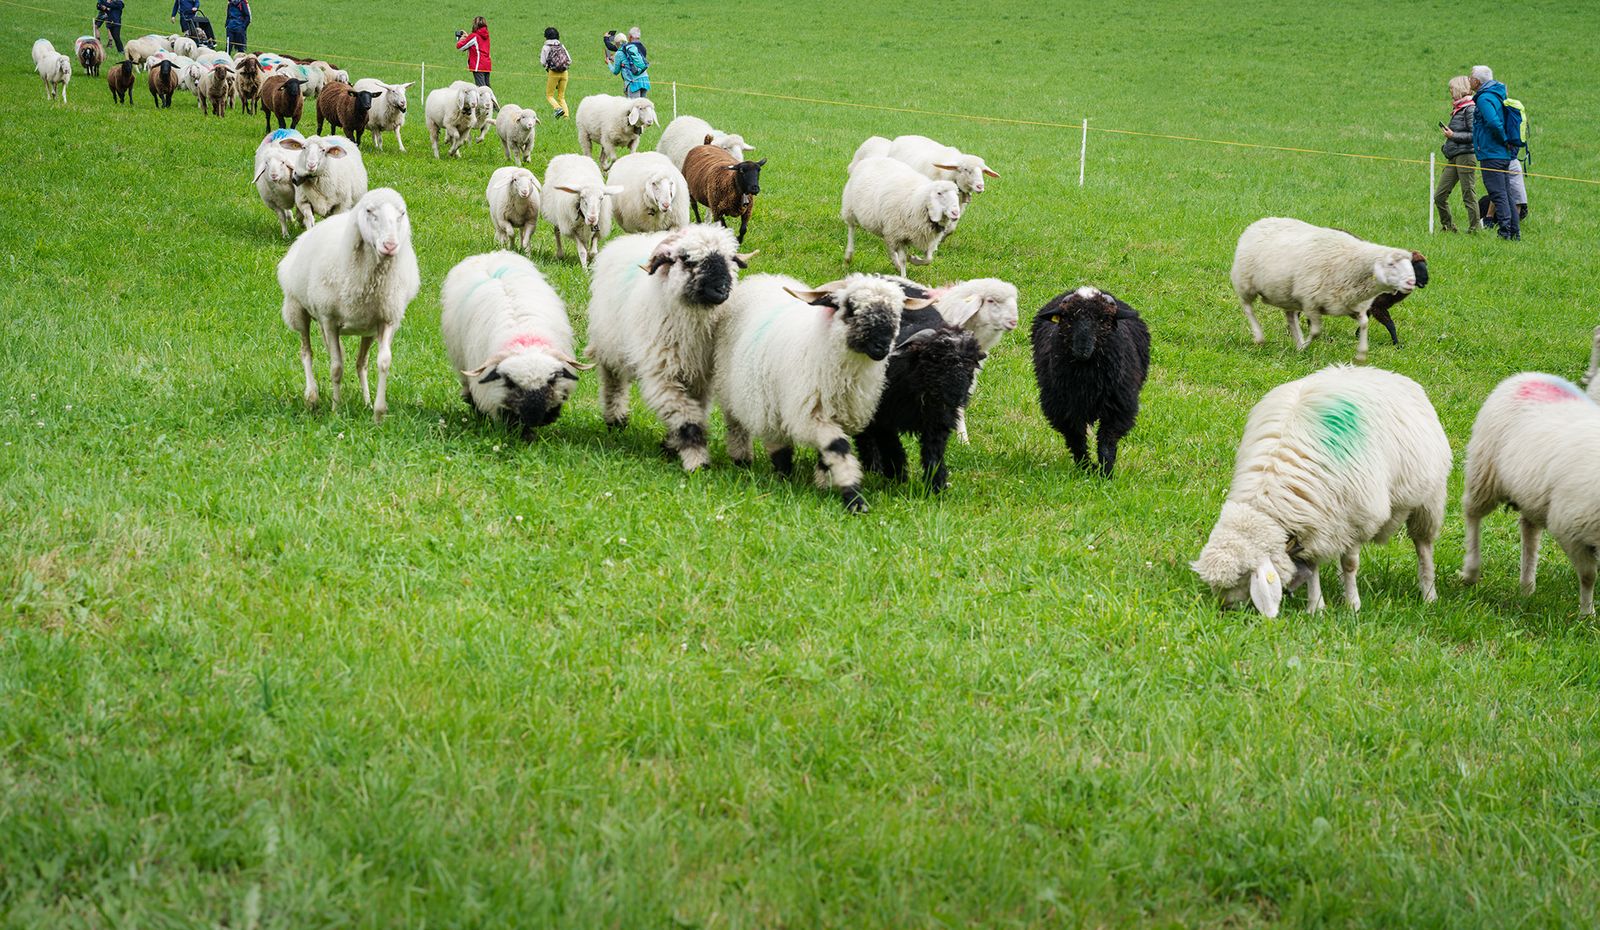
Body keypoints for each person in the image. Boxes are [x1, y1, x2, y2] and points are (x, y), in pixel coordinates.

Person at [1469, 65, 1518, 241]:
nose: (1469, 80)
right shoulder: (1497, 94)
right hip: (1502, 153)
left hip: (1492, 153)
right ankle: (1514, 232)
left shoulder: (1484, 98)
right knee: (1506, 193)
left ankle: (1505, 232)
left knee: (1498, 194)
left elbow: (1493, 122)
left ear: (1477, 81)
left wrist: (1503, 139)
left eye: (1470, 77)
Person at [1433, 75, 1479, 233]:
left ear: (1459, 89)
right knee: (1439, 195)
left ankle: (1475, 229)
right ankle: (1448, 227)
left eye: (1452, 89)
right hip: (1454, 156)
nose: (1450, 92)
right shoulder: (1458, 109)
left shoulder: (1470, 108)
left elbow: (1474, 135)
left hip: (1466, 156)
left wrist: (1453, 136)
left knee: (1468, 194)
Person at [608, 25, 649, 98]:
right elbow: (629, 61)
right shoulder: (633, 47)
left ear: (616, 43)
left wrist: (608, 63)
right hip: (644, 80)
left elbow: (615, 71)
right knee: (643, 105)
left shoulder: (619, 53)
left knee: (634, 105)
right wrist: (615, 60)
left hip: (633, 83)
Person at [540, 27, 571, 118]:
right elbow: (569, 60)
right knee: (561, 97)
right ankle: (566, 117)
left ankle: (558, 108)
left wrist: (548, 66)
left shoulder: (546, 47)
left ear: (546, 36)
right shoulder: (561, 46)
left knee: (549, 95)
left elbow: (543, 62)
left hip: (553, 73)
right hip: (565, 72)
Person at [455, 16, 491, 87]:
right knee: (487, 88)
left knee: (481, 89)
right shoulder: (486, 36)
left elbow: (460, 47)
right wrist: (468, 37)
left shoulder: (474, 36)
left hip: (478, 66)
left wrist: (461, 39)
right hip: (487, 65)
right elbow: (477, 43)